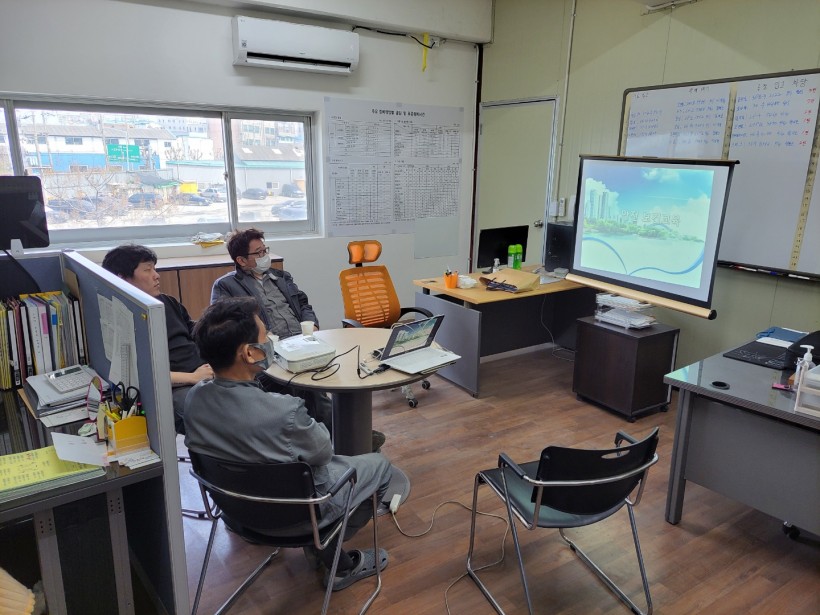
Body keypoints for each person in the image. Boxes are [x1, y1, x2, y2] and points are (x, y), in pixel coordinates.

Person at [184, 297, 391, 589]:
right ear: (249, 353)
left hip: (236, 512)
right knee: (381, 466)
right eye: (265, 336)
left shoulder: (194, 400)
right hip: (298, 516)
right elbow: (323, 453)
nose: (270, 340)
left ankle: (321, 543)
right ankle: (330, 553)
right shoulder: (284, 412)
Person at [102, 244, 213, 434]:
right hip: (175, 386)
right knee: (216, 415)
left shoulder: (166, 302)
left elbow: (195, 332)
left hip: (204, 372)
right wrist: (193, 377)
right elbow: (140, 373)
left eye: (154, 268)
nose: (156, 275)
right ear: (122, 278)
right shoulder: (122, 320)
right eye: (147, 270)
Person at [211, 227, 318, 339]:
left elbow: (302, 304)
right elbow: (226, 324)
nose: (264, 256)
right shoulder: (226, 285)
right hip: (268, 343)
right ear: (241, 260)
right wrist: (262, 335)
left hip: (302, 337)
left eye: (265, 250)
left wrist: (312, 324)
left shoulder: (281, 277)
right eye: (259, 252)